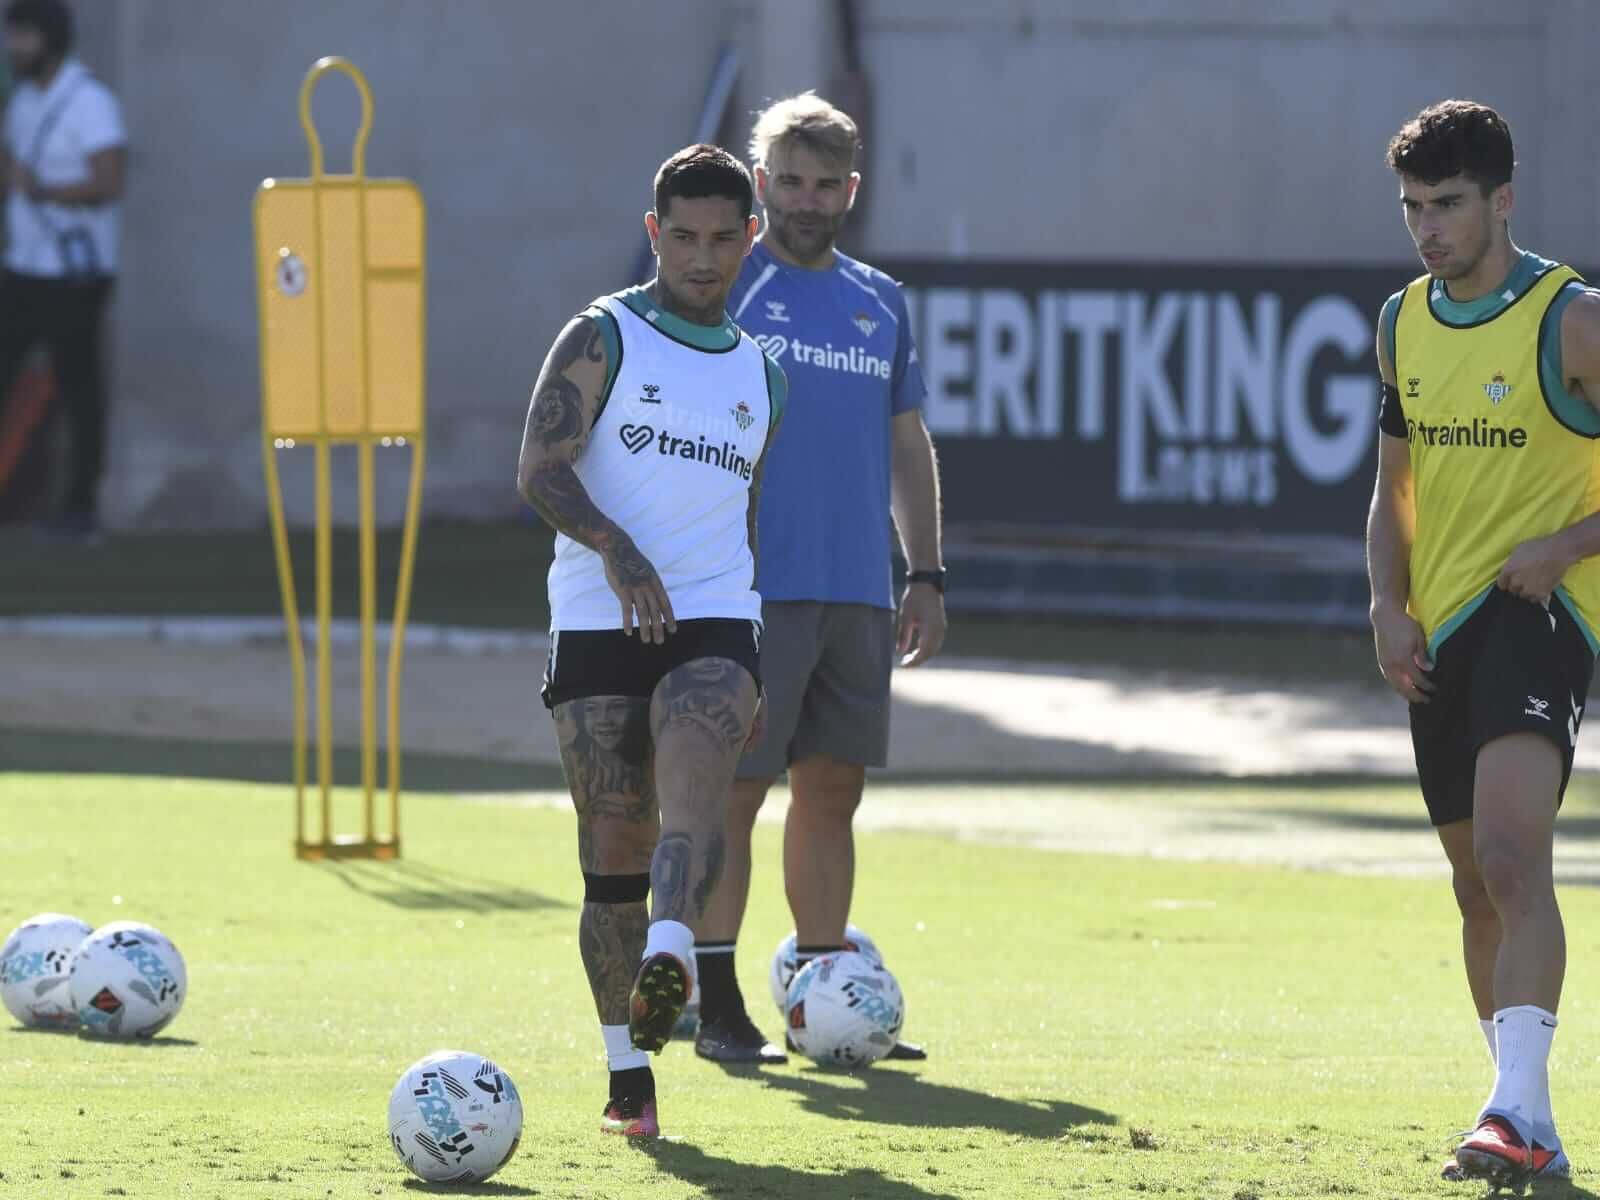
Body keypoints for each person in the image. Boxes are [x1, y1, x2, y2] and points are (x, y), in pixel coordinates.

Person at [516, 143, 786, 1138]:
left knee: (691, 798)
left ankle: (671, 952)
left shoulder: (763, 374)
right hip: (596, 616)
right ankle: (629, 1080)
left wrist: (753, 645)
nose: (704, 257)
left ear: (750, 236)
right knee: (612, 852)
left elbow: (741, 515)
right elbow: (539, 467)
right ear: (652, 234)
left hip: (715, 615)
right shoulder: (603, 335)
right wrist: (618, 552)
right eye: (684, 237)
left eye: (724, 238)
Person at [1367, 99, 1600, 1186]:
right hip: (1436, 631)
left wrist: (1564, 546)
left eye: (1447, 205)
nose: (1427, 228)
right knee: (1472, 888)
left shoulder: (1573, 320)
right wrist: (1383, 603)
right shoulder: (1400, 321)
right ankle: (1525, 1118)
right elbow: (1393, 488)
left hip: (1540, 613)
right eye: (1413, 208)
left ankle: (1509, 1110)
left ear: (1500, 200)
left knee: (1512, 860)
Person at [688, 92, 945, 1065]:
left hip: (859, 589)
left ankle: (827, 993)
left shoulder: (880, 300)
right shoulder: (723, 288)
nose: (804, 198)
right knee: (736, 795)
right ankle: (715, 1005)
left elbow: (904, 439)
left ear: (851, 189)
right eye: (787, 180)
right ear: (761, 184)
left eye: (823, 182)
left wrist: (924, 570)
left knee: (831, 791)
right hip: (754, 590)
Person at [0, 0, 124, 540]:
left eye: (22, 36)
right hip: (24, 266)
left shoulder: (90, 102)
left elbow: (107, 183)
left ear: (49, 39)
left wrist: (42, 189)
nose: (13, 48)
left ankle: (80, 511)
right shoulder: (24, 100)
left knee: (79, 391)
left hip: (75, 273)